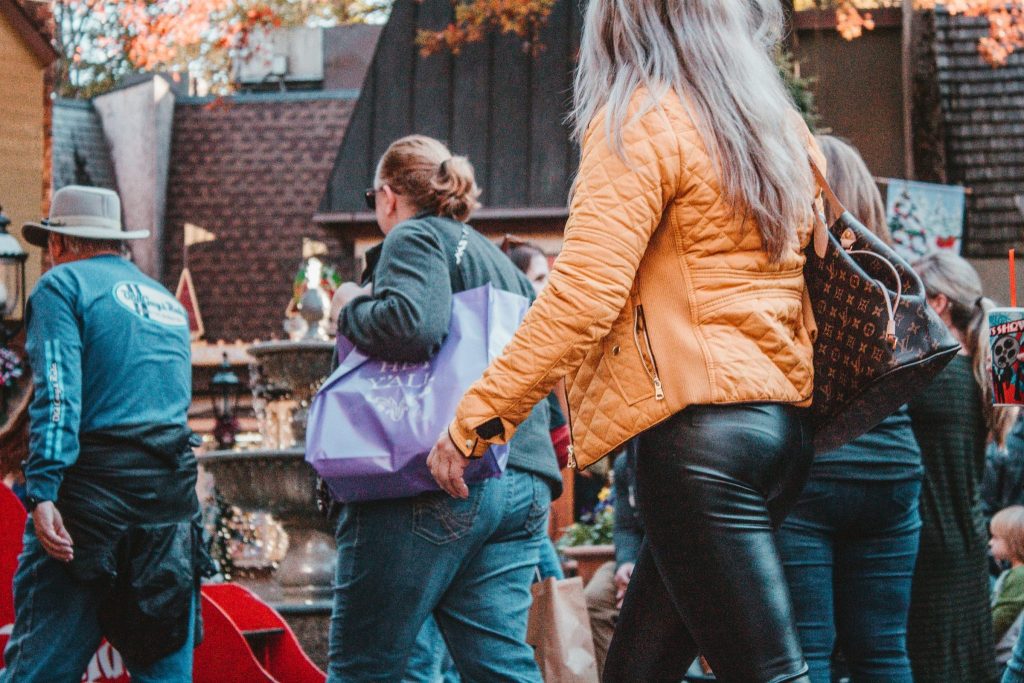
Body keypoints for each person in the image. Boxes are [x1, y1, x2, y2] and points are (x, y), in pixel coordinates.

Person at [427, 0, 827, 675]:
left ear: (617, 26)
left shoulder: (643, 121)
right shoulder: (778, 129)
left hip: (698, 442)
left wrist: (476, 421)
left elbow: (580, 296)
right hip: (780, 427)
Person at [326, 135, 562, 682]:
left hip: (436, 475)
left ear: (387, 196)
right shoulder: (498, 262)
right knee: (500, 666)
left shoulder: (413, 236)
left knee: (364, 667)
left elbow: (412, 326)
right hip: (520, 480)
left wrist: (350, 307)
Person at [1, 185, 210, 682]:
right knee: (164, 672)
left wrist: (43, 489)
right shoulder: (166, 303)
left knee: (39, 670)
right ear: (117, 243)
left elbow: (58, 391)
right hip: (167, 512)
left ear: (58, 244)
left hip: (88, 510)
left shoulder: (61, 287)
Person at [774, 135, 923, 683]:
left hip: (813, 472)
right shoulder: (897, 279)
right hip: (892, 474)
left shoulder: (792, 273)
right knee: (883, 652)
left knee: (806, 651)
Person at [907, 251, 1018, 683]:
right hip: (969, 541)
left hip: (928, 544)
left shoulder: (930, 377)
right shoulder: (984, 374)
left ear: (936, 303)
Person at [584, 443, 643, 679]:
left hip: (676, 562)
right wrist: (626, 564)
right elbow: (625, 528)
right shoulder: (624, 464)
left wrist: (640, 579)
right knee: (596, 598)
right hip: (638, 560)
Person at [991, 505, 1024, 667]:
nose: (990, 543)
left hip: (1006, 657)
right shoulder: (1013, 573)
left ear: (1015, 541)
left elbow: (1004, 614)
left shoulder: (1020, 575)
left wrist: (982, 638)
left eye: (996, 538)